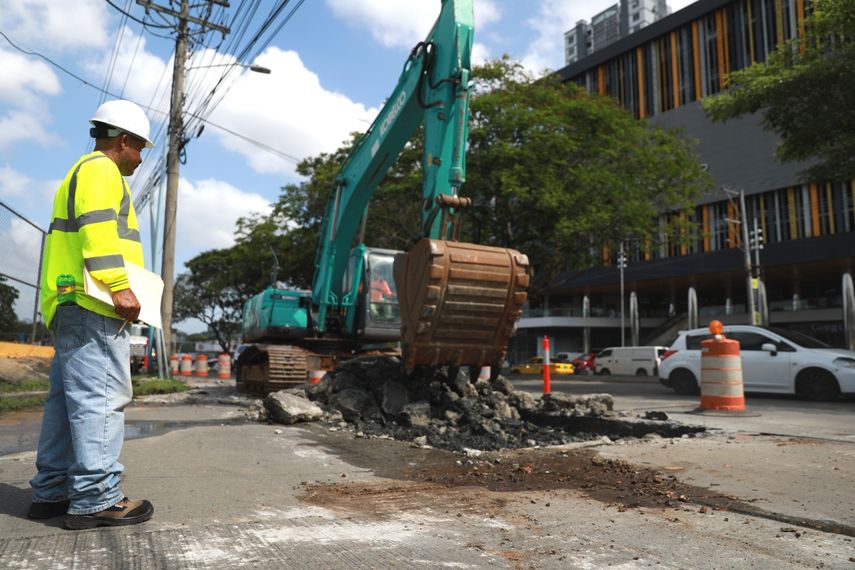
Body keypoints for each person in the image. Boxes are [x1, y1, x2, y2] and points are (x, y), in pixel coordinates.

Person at [28, 100, 155, 530]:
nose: (140, 158)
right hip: (93, 302)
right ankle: (96, 497)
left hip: (71, 300)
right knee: (100, 398)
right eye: (140, 149)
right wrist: (119, 287)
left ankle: (52, 490)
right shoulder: (101, 171)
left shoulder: (78, 171)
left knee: (67, 403)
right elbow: (98, 227)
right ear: (123, 142)